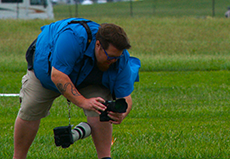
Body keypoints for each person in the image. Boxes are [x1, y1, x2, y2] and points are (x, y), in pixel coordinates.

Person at [13, 18, 140, 159]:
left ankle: (105, 157)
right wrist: (83, 101)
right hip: (47, 73)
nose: (114, 61)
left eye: (117, 57)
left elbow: (126, 97)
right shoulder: (72, 38)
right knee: (30, 108)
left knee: (102, 106)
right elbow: (58, 76)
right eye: (110, 57)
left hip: (87, 77)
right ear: (98, 45)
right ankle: (18, 157)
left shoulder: (120, 58)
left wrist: (121, 114)